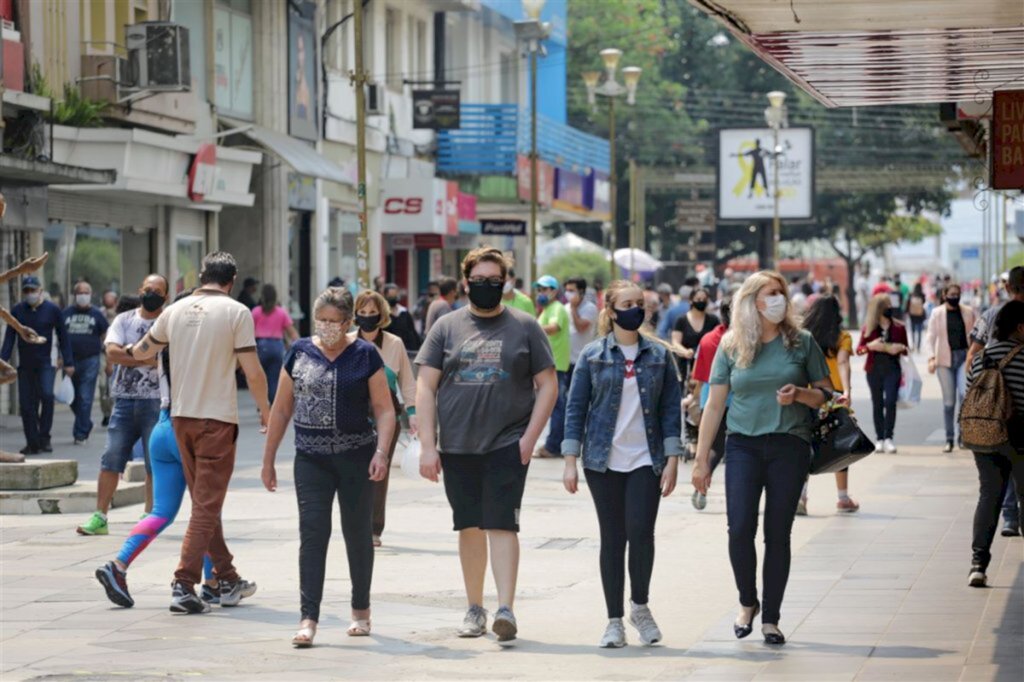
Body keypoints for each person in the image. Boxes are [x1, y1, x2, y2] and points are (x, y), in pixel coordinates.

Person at [415, 246, 557, 644]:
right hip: (457, 445)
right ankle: (475, 607)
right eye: (479, 280)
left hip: (507, 443)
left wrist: (530, 438)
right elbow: (425, 386)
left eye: (494, 280)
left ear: (506, 283)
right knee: (469, 525)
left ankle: (505, 609)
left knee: (502, 523)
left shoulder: (526, 326)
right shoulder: (446, 327)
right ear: (465, 283)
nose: (486, 286)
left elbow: (548, 385)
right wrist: (428, 444)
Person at [692, 270, 833, 646]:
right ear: (752, 301)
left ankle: (771, 617)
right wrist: (701, 459)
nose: (779, 299)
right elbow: (714, 405)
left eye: (781, 293)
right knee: (739, 528)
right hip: (742, 446)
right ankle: (747, 602)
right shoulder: (732, 344)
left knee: (777, 534)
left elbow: (826, 393)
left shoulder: (801, 341)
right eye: (771, 293)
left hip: (790, 445)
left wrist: (800, 394)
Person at [126, 252, 271, 614]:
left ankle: (226, 577)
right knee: (206, 507)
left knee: (206, 503)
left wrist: (119, 349)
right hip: (216, 419)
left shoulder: (173, 311)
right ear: (231, 280)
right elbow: (253, 372)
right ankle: (183, 584)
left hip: (180, 419)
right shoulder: (236, 312)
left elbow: (142, 352)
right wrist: (266, 411)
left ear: (201, 276)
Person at [94, 289, 257, 610]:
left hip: (162, 427)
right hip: (192, 427)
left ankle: (119, 564)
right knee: (206, 510)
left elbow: (130, 352)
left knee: (162, 511)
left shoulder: (166, 342)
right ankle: (211, 582)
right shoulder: (200, 346)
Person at [261, 287, 394, 646]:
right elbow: (281, 409)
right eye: (321, 320)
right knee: (313, 533)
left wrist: (381, 452)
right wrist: (268, 459)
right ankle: (308, 618)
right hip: (311, 459)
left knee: (357, 534)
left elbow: (384, 409)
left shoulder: (365, 354)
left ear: (348, 322)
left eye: (334, 321)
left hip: (356, 457)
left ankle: (361, 610)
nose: (327, 327)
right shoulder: (299, 351)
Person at [562, 280, 682, 648]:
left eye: (640, 303)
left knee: (641, 532)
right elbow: (575, 408)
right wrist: (570, 460)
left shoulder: (660, 356)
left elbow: (670, 410)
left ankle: (640, 607)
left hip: (647, 459)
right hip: (603, 461)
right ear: (611, 311)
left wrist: (673, 458)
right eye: (627, 304)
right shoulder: (593, 355)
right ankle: (613, 620)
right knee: (613, 538)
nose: (635, 309)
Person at [75, 275, 168, 536]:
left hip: (156, 401)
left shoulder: (168, 322)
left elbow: (166, 359)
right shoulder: (124, 320)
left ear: (166, 296)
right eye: (148, 289)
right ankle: (100, 517)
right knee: (111, 458)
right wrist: (144, 357)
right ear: (140, 290)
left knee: (153, 462)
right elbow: (112, 353)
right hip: (124, 401)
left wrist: (130, 353)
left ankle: (149, 517)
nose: (151, 294)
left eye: (157, 291)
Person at [351, 290, 417, 547]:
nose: (367, 317)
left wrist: (413, 413)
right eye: (362, 312)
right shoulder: (347, 342)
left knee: (379, 472)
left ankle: (373, 528)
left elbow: (407, 382)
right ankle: (354, 523)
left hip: (386, 417)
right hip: (352, 416)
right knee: (354, 472)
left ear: (381, 314)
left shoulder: (394, 344)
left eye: (372, 312)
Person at [964, 300, 1024, 587]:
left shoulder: (980, 358)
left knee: (989, 496)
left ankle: (978, 564)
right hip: (1019, 437)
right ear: (1020, 327)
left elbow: (970, 394)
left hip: (984, 434)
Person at [1, 275, 74, 455]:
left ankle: (44, 438)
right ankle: (32, 442)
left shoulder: (52, 310)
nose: (30, 293)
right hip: (25, 365)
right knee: (27, 405)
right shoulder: (17, 311)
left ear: (40, 291)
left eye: (33, 290)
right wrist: (2, 360)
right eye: (26, 290)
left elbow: (63, 337)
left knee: (47, 397)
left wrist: (68, 361)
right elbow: (9, 337)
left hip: (46, 363)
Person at [800, 296, 859, 514]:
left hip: (807, 393)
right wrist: (847, 392)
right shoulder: (842, 337)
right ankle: (843, 498)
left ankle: (801, 496)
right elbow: (843, 362)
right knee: (840, 441)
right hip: (834, 396)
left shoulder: (803, 336)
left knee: (805, 443)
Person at [688, 298, 731, 510]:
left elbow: (698, 373)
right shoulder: (741, 339)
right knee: (727, 447)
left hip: (709, 397)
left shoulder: (707, 338)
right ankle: (703, 484)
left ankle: (701, 482)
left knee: (716, 445)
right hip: (734, 398)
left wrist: (693, 397)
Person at [856, 294, 909, 454]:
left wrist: (899, 348)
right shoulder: (869, 328)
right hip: (874, 370)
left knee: (891, 401)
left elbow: (906, 349)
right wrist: (870, 346)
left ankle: (889, 437)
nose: (890, 308)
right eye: (886, 305)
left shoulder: (899, 327)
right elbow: (859, 350)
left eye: (890, 305)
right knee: (877, 403)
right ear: (878, 309)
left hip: (893, 369)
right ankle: (879, 438)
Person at [926, 283, 975, 452]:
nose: (955, 297)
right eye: (952, 294)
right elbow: (930, 337)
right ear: (944, 295)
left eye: (957, 294)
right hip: (944, 360)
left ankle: (963, 436)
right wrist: (931, 358)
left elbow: (976, 335)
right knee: (949, 402)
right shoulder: (937, 313)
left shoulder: (968, 312)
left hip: (964, 358)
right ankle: (949, 438)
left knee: (964, 396)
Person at [62, 281, 109, 445]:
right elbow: (60, 337)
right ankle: (86, 422)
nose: (83, 296)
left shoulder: (97, 314)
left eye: (86, 293)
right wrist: (61, 359)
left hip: (91, 360)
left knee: (85, 397)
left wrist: (109, 359)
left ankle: (80, 434)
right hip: (70, 361)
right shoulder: (66, 314)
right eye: (80, 293)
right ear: (75, 295)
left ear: (91, 295)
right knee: (72, 399)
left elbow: (106, 336)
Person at [533, 274, 571, 459]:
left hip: (556, 364)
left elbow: (554, 327)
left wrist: (531, 328)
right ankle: (555, 444)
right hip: (549, 364)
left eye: (545, 289)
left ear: (555, 291)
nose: (541, 293)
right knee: (556, 406)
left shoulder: (557, 308)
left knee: (557, 407)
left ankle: (554, 446)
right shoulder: (546, 309)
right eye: (539, 289)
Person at [252, 284, 299, 405]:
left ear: (262, 296)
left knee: (260, 379)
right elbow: (292, 333)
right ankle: (273, 404)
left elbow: (249, 333)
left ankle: (262, 405)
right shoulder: (281, 312)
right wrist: (300, 347)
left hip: (260, 347)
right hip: (277, 347)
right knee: (274, 379)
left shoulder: (256, 312)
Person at [672, 286, 720, 381]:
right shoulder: (681, 320)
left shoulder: (713, 320)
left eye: (704, 299)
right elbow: (675, 342)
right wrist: (685, 352)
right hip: (686, 365)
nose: (701, 301)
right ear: (691, 300)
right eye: (698, 299)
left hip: (707, 366)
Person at [565, 277, 598, 377]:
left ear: (581, 292)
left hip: (581, 360)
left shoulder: (590, 308)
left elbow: (580, 328)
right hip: (565, 361)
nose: (568, 293)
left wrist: (574, 308)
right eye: (567, 290)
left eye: (571, 291)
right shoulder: (565, 307)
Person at [98, 290, 119, 427]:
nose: (108, 301)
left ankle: (114, 412)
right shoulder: (99, 314)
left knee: (114, 385)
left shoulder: (120, 315)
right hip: (102, 353)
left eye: (110, 298)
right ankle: (106, 412)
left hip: (117, 354)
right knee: (102, 385)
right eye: (106, 298)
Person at [382, 283, 421, 351]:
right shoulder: (382, 314)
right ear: (385, 296)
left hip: (406, 350)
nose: (393, 298)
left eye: (395, 296)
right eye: (391, 296)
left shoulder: (404, 313)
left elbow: (412, 331)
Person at [906, 283, 928, 352]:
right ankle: (918, 347)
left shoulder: (911, 294)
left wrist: (907, 312)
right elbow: (924, 303)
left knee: (912, 331)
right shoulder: (922, 295)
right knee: (919, 332)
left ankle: (913, 345)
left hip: (912, 315)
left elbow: (908, 303)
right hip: (920, 315)